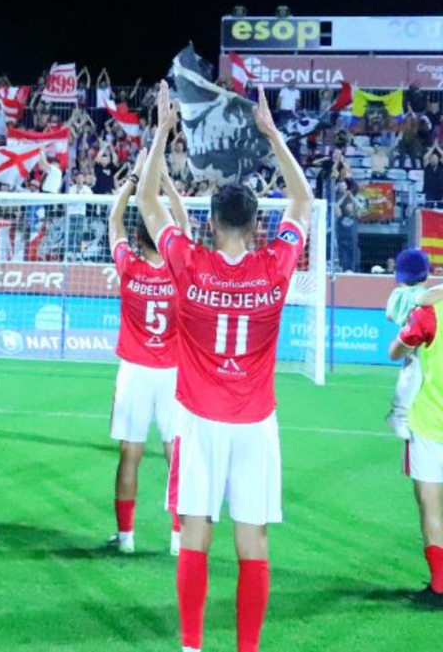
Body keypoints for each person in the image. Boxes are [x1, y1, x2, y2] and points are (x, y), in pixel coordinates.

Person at [136, 82, 313, 652]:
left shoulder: (188, 263)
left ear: (210, 223)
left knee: (194, 534)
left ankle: (192, 646)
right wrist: (271, 134)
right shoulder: (276, 267)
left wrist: (164, 131)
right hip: (256, 422)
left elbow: (146, 202)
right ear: (256, 225)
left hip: (199, 422)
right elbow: (303, 202)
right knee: (253, 539)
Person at [107, 153, 191, 557]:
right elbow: (185, 227)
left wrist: (134, 181)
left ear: (139, 240)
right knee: (175, 453)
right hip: (173, 373)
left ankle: (126, 538)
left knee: (130, 454)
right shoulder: (181, 270)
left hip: (135, 372)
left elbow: (113, 223)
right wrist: (168, 185)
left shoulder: (129, 268)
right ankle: (177, 539)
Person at [388, 283, 443, 608]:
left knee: (430, 502)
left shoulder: (429, 311)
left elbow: (395, 350)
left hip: (429, 422)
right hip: (430, 423)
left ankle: (439, 586)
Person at [385, 250, 432, 441]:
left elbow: (389, 315)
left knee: (413, 375)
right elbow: (423, 299)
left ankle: (402, 414)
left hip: (414, 342)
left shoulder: (397, 294)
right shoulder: (415, 294)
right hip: (416, 341)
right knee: (414, 375)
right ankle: (399, 415)